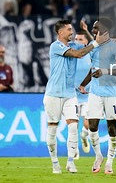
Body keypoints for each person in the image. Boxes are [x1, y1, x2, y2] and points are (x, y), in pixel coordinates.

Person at [43, 19, 98, 174]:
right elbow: (79, 55)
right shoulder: (56, 46)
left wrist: (89, 33)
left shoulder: (75, 45)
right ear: (60, 32)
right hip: (53, 94)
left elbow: (94, 47)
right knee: (52, 130)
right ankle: (55, 164)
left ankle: (70, 162)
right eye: (68, 30)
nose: (72, 32)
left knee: (73, 127)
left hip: (70, 94)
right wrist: (95, 43)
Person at [79, 17, 116, 175]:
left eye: (95, 28)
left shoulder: (115, 47)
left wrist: (104, 71)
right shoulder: (94, 47)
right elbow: (93, 69)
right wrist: (83, 84)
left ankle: (110, 162)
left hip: (112, 94)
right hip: (95, 93)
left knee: (112, 129)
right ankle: (98, 156)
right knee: (92, 127)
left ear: (104, 30)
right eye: (92, 28)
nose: (92, 30)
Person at [73, 27, 93, 158]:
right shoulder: (71, 54)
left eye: (80, 39)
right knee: (73, 124)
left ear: (86, 42)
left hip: (87, 95)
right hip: (72, 95)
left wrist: (87, 32)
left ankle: (84, 135)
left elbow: (96, 44)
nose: (77, 41)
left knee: (88, 122)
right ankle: (74, 149)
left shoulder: (91, 54)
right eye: (75, 39)